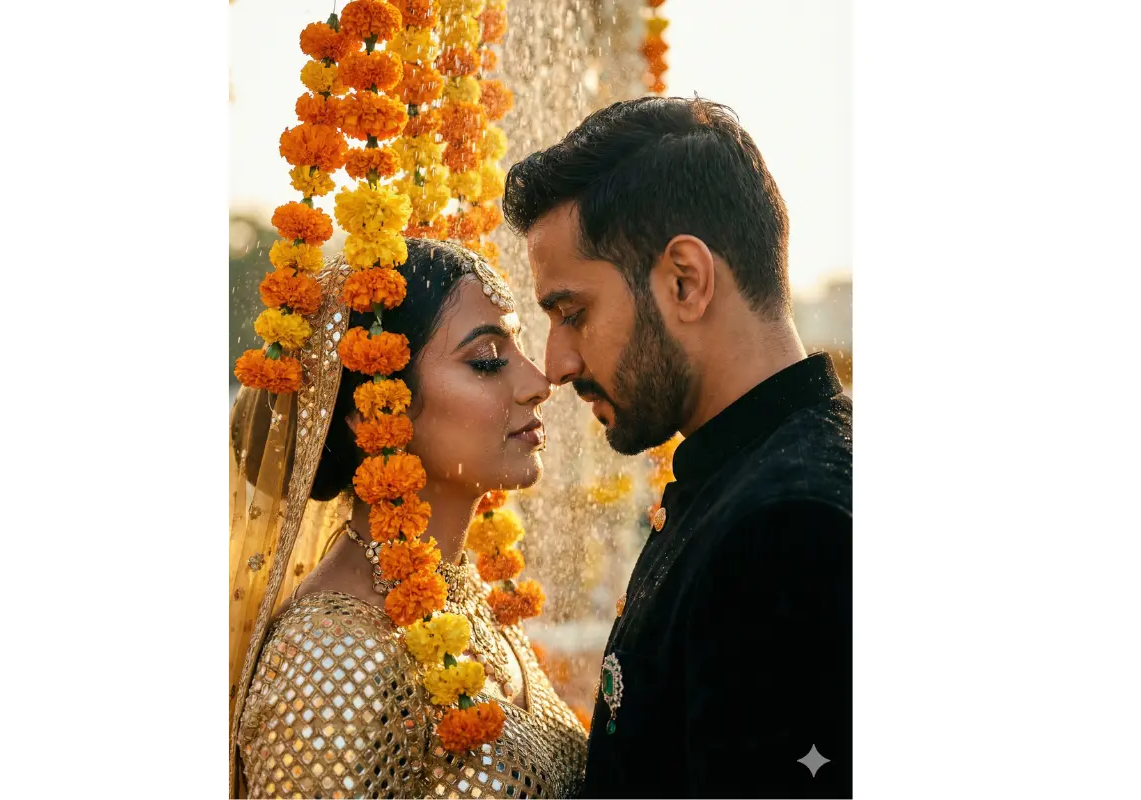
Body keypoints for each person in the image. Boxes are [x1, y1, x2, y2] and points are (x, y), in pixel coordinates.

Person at [504, 97, 853, 798]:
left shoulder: (788, 528)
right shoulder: (746, 477)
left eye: (572, 313)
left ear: (685, 281)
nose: (556, 365)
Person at [228, 240, 588, 798]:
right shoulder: (332, 659)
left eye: (517, 349)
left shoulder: (460, 593)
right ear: (372, 410)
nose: (538, 383)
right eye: (487, 360)